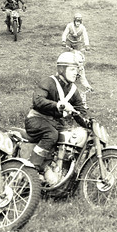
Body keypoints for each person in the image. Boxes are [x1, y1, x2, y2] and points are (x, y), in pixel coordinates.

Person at [24, 52, 89, 183]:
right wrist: (59, 105)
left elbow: (80, 111)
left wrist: (89, 123)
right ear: (61, 69)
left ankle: (60, 172)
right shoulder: (49, 82)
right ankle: (31, 171)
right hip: (36, 119)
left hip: (54, 123)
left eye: (76, 70)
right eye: (72, 69)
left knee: (69, 138)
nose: (75, 73)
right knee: (51, 134)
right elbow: (38, 100)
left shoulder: (73, 90)